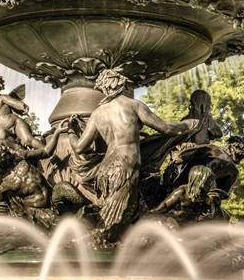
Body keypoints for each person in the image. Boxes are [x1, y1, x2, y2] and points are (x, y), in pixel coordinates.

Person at [68, 68, 193, 240]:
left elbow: (79, 148)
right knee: (118, 217)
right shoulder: (134, 105)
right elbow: (165, 128)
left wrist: (71, 131)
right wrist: (187, 125)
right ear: (122, 83)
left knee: (116, 211)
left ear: (104, 88)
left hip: (105, 170)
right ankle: (87, 243)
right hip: (125, 166)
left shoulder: (97, 114)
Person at [0, 73, 43, 149]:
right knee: (0, 135)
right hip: (4, 133)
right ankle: (19, 150)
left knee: (28, 140)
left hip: (16, 124)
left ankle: (46, 150)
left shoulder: (2, 98)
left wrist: (22, 106)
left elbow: (13, 102)